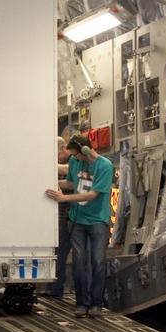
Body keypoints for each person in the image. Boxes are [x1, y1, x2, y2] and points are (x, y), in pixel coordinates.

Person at [46, 134, 113, 319]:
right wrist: (50, 184)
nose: (74, 158)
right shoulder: (76, 163)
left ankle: (96, 303)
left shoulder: (104, 166)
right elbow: (70, 183)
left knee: (98, 262)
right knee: (79, 262)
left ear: (85, 150)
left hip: (97, 221)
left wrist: (64, 198)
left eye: (76, 154)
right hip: (77, 220)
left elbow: (92, 195)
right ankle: (82, 302)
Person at [47, 137, 71, 298]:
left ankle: (56, 290)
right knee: (57, 252)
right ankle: (54, 288)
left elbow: (67, 172)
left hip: (69, 213)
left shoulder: (74, 162)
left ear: (63, 149)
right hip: (60, 213)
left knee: (61, 252)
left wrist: (46, 166)